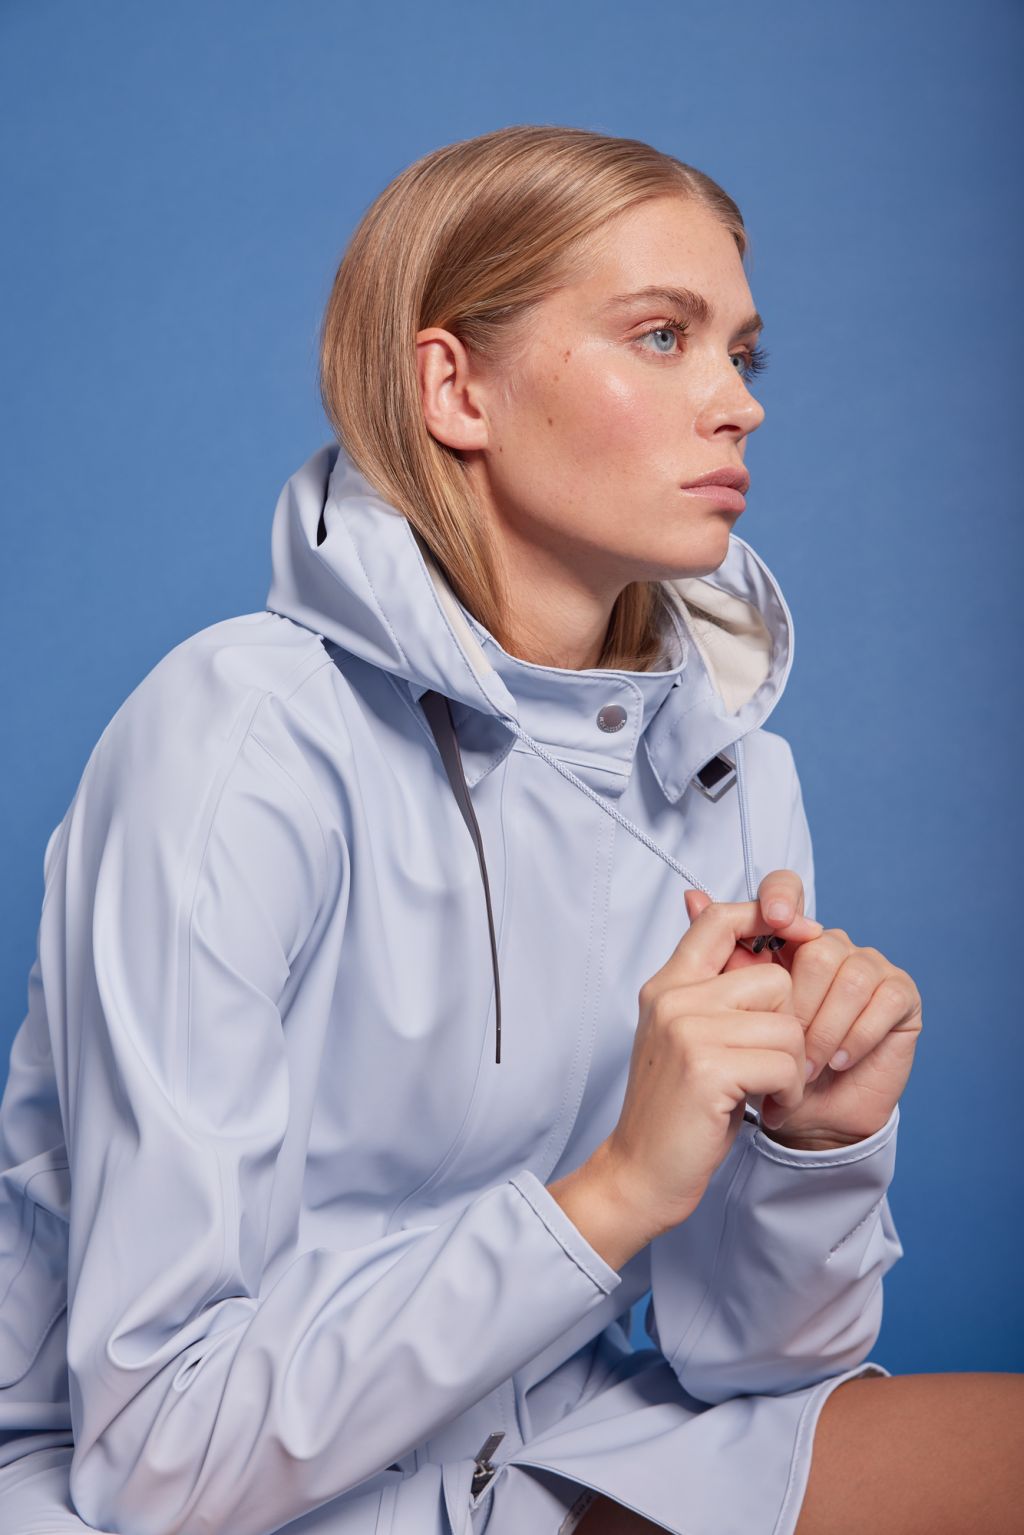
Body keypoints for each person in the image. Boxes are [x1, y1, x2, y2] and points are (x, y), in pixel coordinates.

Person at [0, 123, 1020, 1535]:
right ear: (455, 387)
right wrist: (612, 1196)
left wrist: (815, 1148)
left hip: (547, 1453)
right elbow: (160, 1457)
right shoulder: (240, 737)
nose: (738, 403)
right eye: (661, 336)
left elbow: (759, 1368)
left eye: (743, 352)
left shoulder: (730, 771)